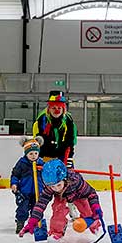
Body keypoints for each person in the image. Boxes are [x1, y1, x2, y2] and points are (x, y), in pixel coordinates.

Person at [19, 159, 102, 243]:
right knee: (58, 210)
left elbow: (91, 193)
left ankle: (94, 225)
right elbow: (41, 203)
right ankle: (56, 233)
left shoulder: (76, 181)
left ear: (65, 179)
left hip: (77, 195)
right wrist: (33, 220)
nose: (56, 188)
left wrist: (95, 206)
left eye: (58, 185)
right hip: (61, 197)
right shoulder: (49, 187)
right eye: (52, 186)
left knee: (87, 211)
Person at [33, 90, 79, 220]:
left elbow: (71, 141)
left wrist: (68, 158)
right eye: (54, 107)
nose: (57, 110)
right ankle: (37, 214)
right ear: (49, 106)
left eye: (59, 107)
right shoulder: (42, 119)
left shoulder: (68, 119)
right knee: (46, 186)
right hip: (46, 156)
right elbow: (38, 140)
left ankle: (71, 208)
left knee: (69, 183)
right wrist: (40, 158)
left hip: (63, 155)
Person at [10, 136, 44, 234]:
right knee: (23, 209)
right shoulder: (22, 163)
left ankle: (37, 225)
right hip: (24, 191)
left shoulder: (41, 163)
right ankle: (20, 223)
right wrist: (14, 184)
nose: (33, 156)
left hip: (38, 192)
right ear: (26, 153)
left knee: (37, 210)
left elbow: (46, 176)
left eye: (36, 153)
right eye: (31, 153)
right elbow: (15, 174)